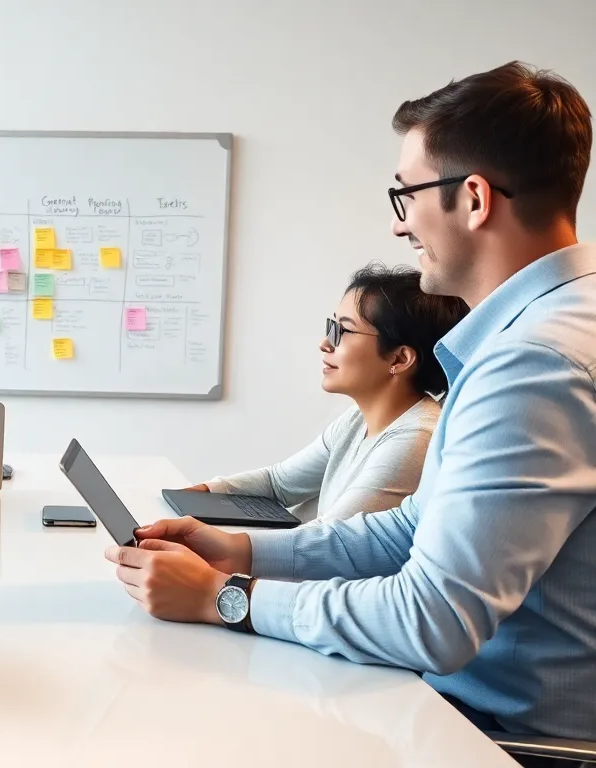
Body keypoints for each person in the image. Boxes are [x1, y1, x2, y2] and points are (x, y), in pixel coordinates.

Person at [106, 61, 596, 752]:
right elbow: (411, 531)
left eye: (408, 196)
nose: (401, 227)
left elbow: (432, 618)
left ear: (476, 199)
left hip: (497, 741)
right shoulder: (549, 328)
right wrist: (240, 549)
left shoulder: (534, 361)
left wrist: (225, 597)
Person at [183, 264, 467, 523]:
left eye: (343, 331)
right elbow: (278, 484)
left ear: (399, 360)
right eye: (332, 326)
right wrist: (193, 495)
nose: (325, 344)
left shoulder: (415, 439)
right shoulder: (358, 419)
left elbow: (329, 539)